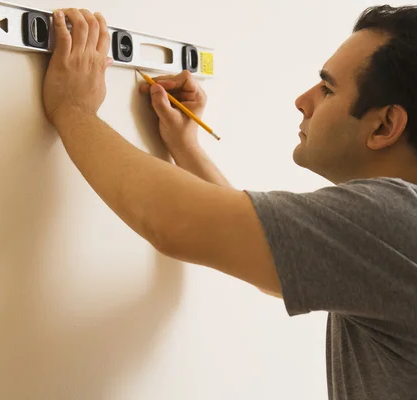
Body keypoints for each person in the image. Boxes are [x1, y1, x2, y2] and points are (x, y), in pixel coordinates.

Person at [41, 5, 417, 399]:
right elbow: (285, 259)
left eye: (327, 88)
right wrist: (187, 147)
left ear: (385, 125)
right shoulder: (390, 235)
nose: (302, 100)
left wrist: (73, 110)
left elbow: (174, 222)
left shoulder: (397, 219)